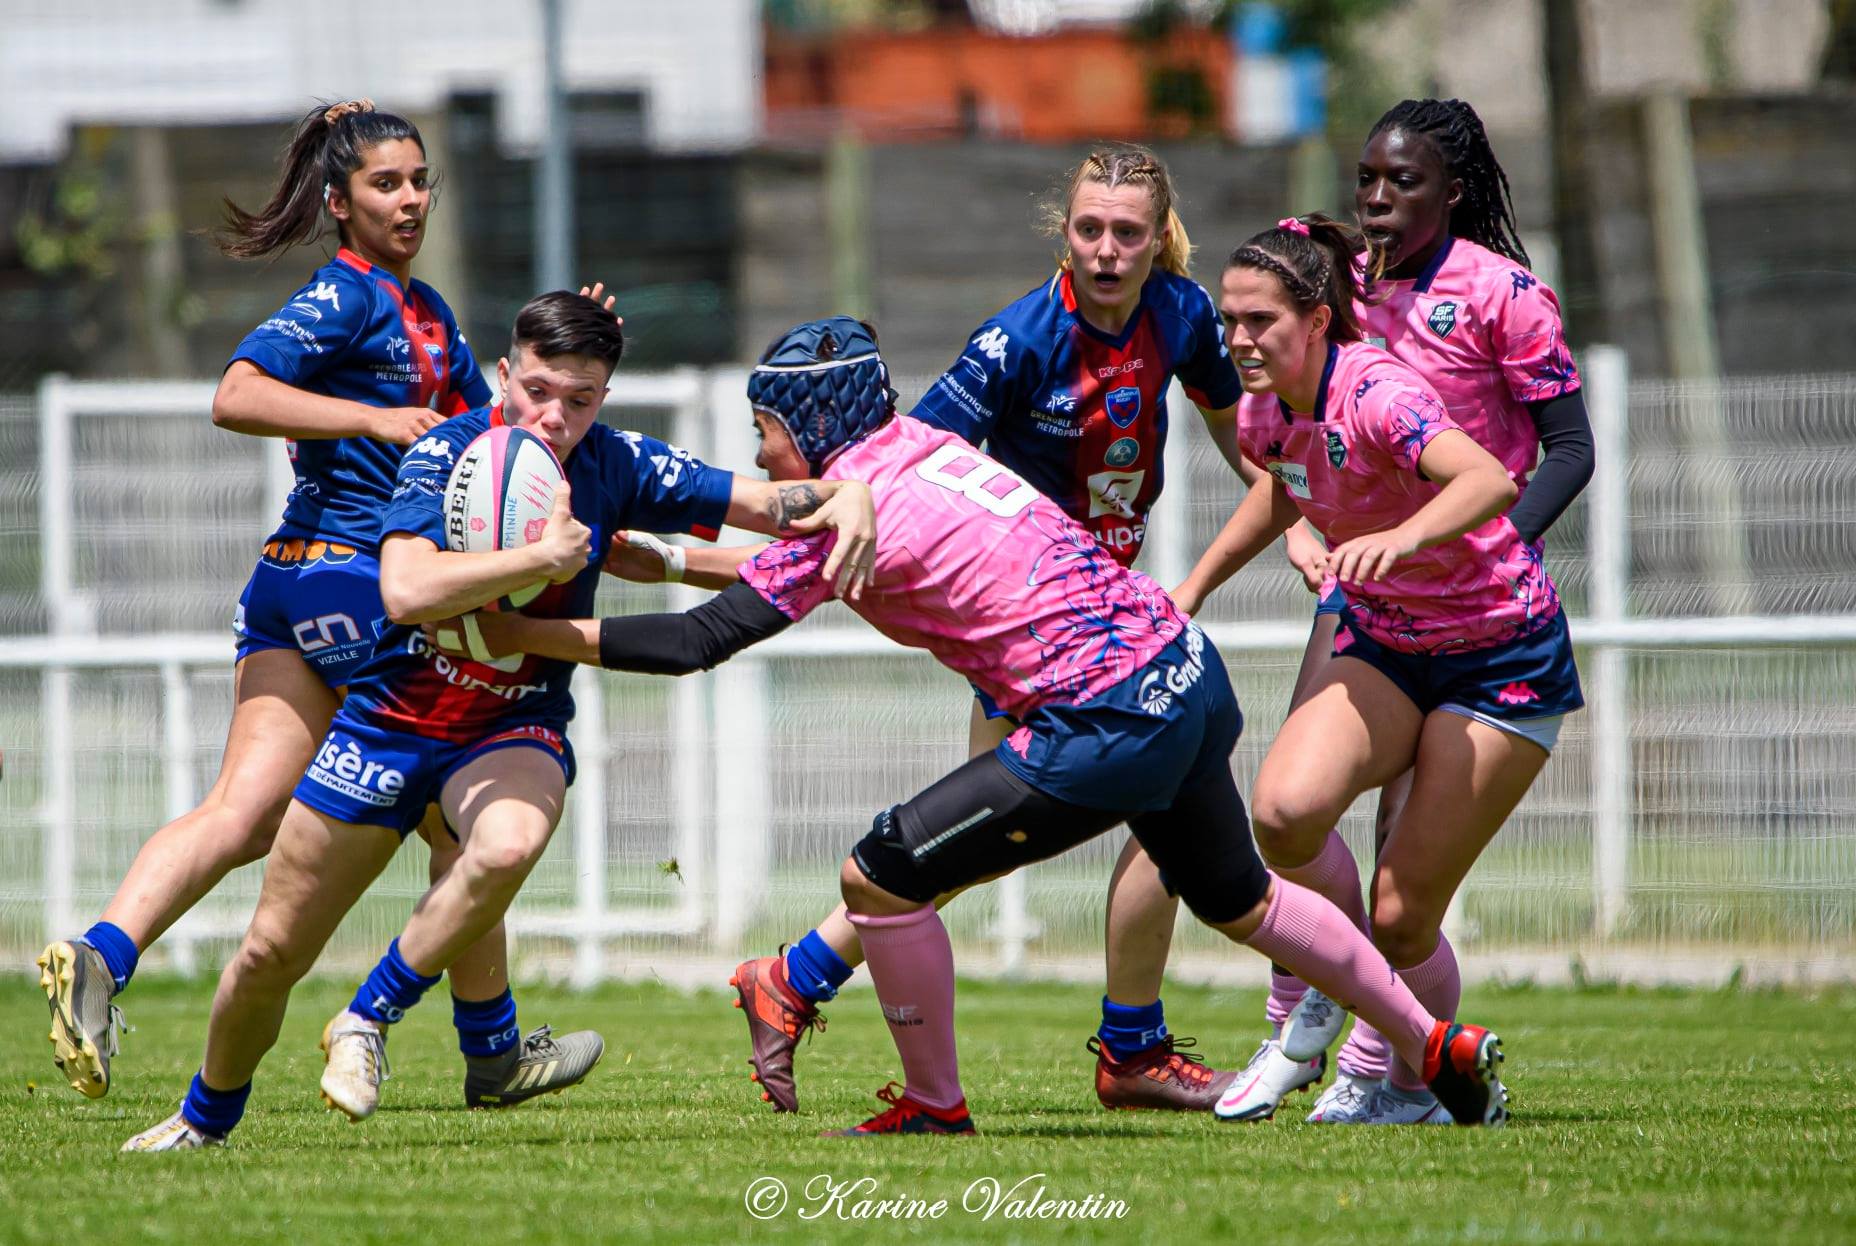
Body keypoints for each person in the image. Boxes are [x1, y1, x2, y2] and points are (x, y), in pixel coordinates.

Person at [447, 315, 1512, 1136]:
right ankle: (1432, 1042)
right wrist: (672, 554)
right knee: (1243, 902)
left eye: (766, 433)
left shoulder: (849, 493)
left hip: (1103, 720)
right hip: (1186, 678)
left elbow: (695, 645)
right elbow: (814, 564)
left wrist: (511, 632)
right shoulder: (911, 451)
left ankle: (933, 1101)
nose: (765, 458)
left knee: (878, 876)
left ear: (809, 425)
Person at [618, 143, 1313, 1114]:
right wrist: (754, 546)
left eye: (1125, 233)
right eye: (1087, 229)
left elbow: (1247, 443)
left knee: (1009, 842)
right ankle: (832, 988)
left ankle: (810, 982)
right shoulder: (1014, 343)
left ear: (1158, 240)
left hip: (1112, 623)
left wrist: (1300, 520)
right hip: (1029, 628)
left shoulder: (1183, 312)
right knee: (957, 850)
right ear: (1060, 232)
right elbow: (894, 473)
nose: (1106, 250)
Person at [118, 293, 878, 1151]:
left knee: (509, 843)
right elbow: (404, 590)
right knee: (267, 956)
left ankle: (368, 1018)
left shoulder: (616, 463)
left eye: (582, 400)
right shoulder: (444, 451)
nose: (556, 417)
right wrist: (542, 558)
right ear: (504, 375)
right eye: (540, 391)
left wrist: (847, 495)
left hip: (512, 724)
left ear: (604, 398)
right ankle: (202, 1120)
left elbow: (765, 504)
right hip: (388, 722)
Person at [35, 99, 596, 1109]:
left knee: (243, 812)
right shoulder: (349, 298)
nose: (412, 197)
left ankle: (100, 950)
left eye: (420, 180)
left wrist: (573, 339)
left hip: (289, 585)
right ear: (339, 202)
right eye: (387, 183)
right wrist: (371, 416)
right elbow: (236, 393)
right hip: (358, 581)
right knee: (461, 824)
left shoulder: (425, 314)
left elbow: (495, 433)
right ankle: (493, 1052)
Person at [1209, 99, 1593, 1125]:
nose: (1375, 199)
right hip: (1373, 610)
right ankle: (1305, 1015)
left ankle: (1396, 1069)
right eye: (1366, 180)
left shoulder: (1501, 296)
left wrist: (1487, 544)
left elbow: (1566, 451)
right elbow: (1298, 441)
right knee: (1285, 814)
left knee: (1398, 892)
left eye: (1402, 181)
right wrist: (1283, 531)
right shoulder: (1336, 292)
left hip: (1488, 632)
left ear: (1453, 193)